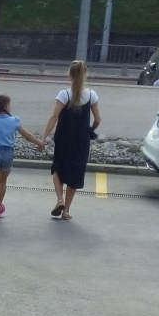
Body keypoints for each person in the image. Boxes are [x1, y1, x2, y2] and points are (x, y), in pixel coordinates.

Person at [40, 60, 101, 221]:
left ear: (70, 75)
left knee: (58, 169)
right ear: (84, 74)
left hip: (63, 137)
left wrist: (44, 137)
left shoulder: (64, 94)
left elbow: (54, 117)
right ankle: (66, 211)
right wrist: (90, 130)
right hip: (81, 140)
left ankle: (59, 200)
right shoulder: (92, 95)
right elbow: (98, 119)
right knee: (75, 172)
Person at [0, 94, 44, 223]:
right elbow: (28, 136)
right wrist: (40, 143)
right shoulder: (14, 121)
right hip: (8, 152)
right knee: (2, 182)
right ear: (6, 106)